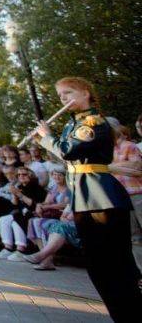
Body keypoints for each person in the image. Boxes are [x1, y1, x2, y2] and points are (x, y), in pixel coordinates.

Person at [34, 76, 142, 322]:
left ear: (86, 93)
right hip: (84, 199)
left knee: (116, 266)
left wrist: (46, 137)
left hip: (102, 200)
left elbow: (67, 150)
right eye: (61, 95)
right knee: (98, 267)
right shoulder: (71, 125)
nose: (64, 99)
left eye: (69, 93)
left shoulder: (92, 122)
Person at [0, 166, 46, 260]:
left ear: (30, 176)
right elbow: (14, 204)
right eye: (19, 175)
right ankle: (8, 247)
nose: (21, 176)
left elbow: (34, 205)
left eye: (24, 174)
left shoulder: (36, 187)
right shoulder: (20, 187)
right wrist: (14, 193)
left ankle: (21, 249)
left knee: (16, 218)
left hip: (33, 214)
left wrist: (19, 195)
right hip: (22, 213)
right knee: (4, 219)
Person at [20, 206, 79, 271]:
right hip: (69, 226)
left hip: (82, 228)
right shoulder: (73, 201)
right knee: (51, 225)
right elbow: (62, 217)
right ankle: (46, 260)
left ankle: (41, 256)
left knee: (59, 227)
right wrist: (67, 221)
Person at [111, 124, 142, 242]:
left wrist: (109, 167)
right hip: (120, 197)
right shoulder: (105, 151)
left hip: (136, 193)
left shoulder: (129, 146)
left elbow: (137, 168)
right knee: (133, 236)